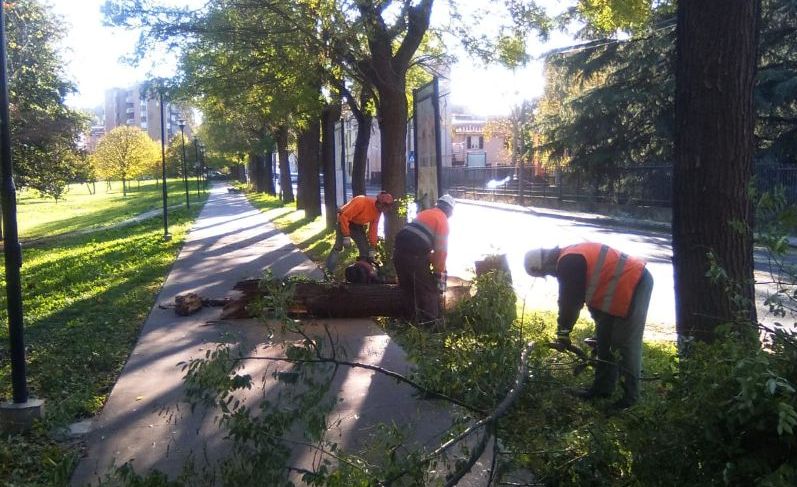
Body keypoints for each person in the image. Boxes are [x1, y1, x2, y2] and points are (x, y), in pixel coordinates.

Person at [524, 243, 654, 409]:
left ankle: (630, 400)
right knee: (603, 341)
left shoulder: (568, 262)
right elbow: (588, 295)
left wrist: (563, 332)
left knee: (625, 343)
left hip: (635, 281)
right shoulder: (570, 257)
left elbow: (570, 302)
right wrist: (598, 326)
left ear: (543, 264)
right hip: (617, 289)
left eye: (545, 273)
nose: (550, 275)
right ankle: (601, 389)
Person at [393, 195, 455, 323]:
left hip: (398, 254)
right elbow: (441, 252)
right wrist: (439, 272)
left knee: (408, 289)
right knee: (428, 290)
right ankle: (431, 323)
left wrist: (431, 260)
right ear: (449, 210)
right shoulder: (442, 221)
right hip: (414, 257)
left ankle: (408, 322)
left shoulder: (425, 213)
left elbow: (421, 242)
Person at [325, 191, 394, 273]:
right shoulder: (361, 202)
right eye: (386, 207)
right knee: (338, 247)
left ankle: (361, 273)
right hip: (344, 221)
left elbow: (373, 229)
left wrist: (372, 246)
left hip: (357, 225)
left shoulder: (378, 212)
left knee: (365, 250)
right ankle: (328, 272)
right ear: (380, 203)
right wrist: (346, 235)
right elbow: (344, 216)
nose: (386, 210)